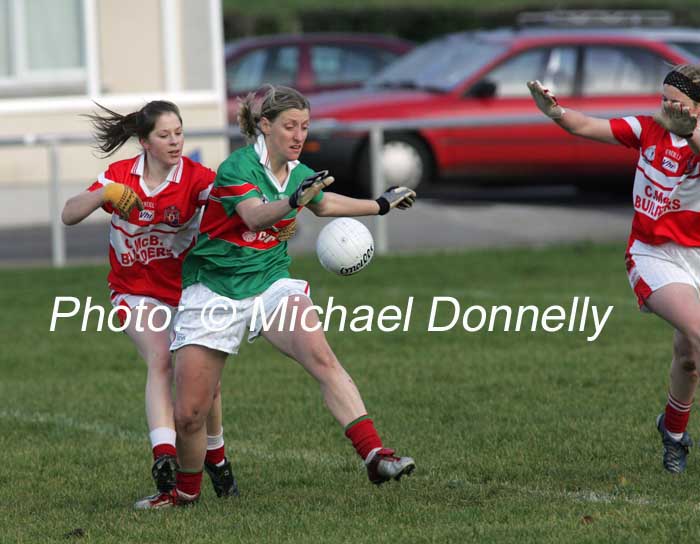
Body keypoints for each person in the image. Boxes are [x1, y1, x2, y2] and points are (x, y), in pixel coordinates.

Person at [156, 85, 417, 506]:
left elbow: (324, 203)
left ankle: (375, 454)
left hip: (271, 283)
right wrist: (294, 199)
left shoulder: (297, 171)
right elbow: (254, 214)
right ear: (265, 126)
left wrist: (381, 204)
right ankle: (184, 494)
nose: (299, 135)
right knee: (189, 416)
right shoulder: (237, 167)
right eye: (290, 127)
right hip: (213, 291)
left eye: (305, 127)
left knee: (322, 357)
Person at [61, 100, 244, 508]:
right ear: (144, 142)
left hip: (191, 292)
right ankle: (164, 455)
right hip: (135, 289)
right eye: (164, 135)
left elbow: (236, 207)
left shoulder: (197, 179)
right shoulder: (120, 177)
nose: (175, 141)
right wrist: (103, 194)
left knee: (205, 386)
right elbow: (69, 214)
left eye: (179, 132)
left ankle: (216, 456)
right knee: (162, 359)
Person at [527, 65, 700, 474]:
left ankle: (673, 434)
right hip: (652, 255)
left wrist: (688, 132)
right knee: (698, 333)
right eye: (664, 101)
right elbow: (588, 126)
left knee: (688, 357)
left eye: (679, 104)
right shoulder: (647, 130)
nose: (668, 109)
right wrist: (555, 112)